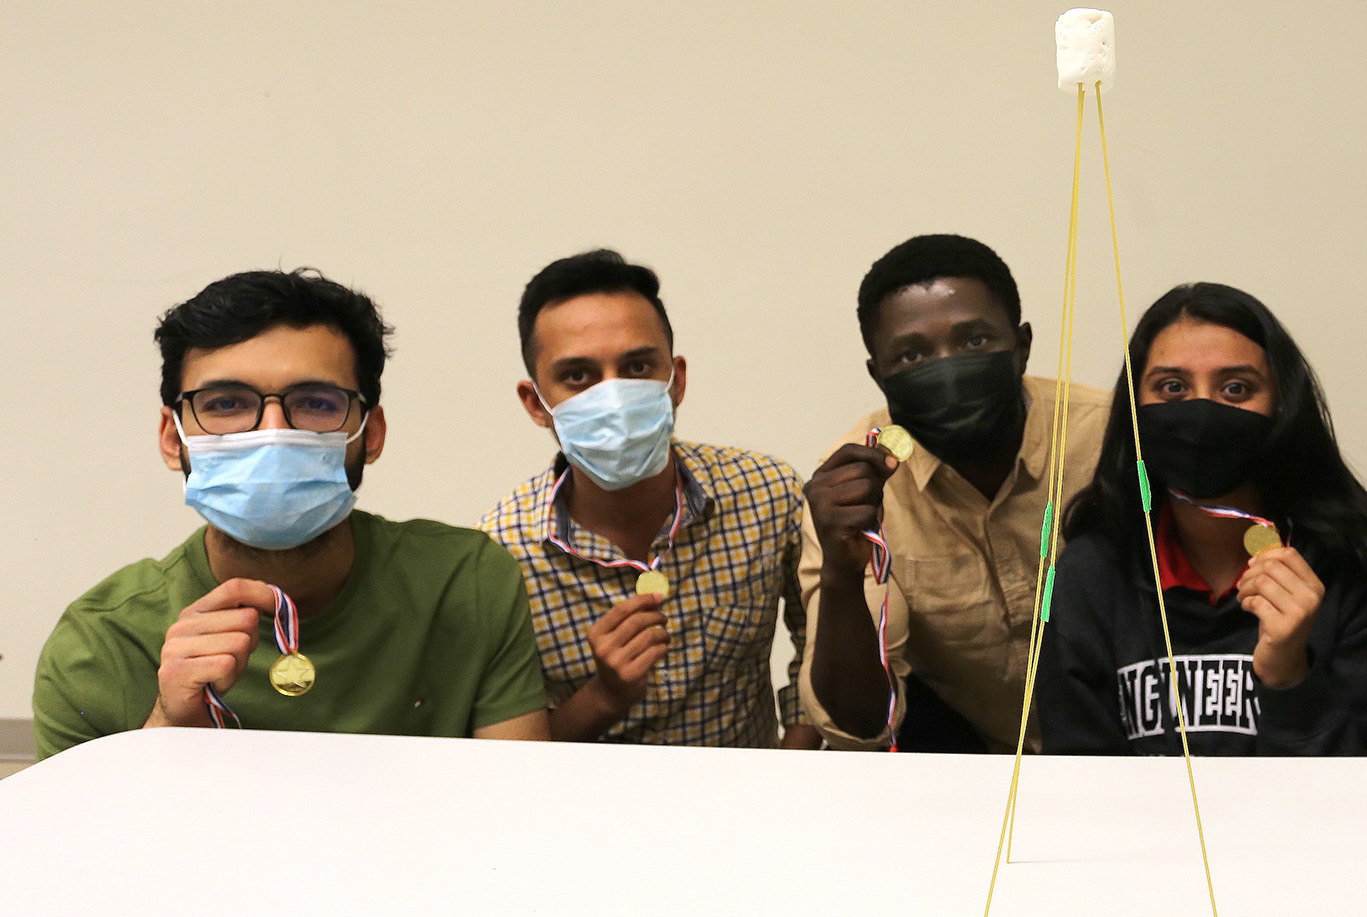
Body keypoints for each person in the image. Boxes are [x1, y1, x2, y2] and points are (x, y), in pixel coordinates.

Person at [34, 270, 549, 757]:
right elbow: (71, 848)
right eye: (226, 403)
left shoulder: (466, 582)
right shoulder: (99, 642)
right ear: (174, 439)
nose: (272, 433)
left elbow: (518, 809)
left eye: (316, 403)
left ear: (370, 434)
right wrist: (168, 729)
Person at [1036, 283, 1367, 755]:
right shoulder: (1092, 572)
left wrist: (1290, 676)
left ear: (1282, 406)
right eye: (1172, 388)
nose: (1201, 410)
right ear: (1134, 410)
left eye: (1236, 388)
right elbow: (1081, 780)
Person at [481, 250, 813, 747]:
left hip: (752, 805)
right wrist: (604, 697)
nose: (612, 397)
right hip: (586, 814)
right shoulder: (499, 556)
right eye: (578, 376)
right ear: (536, 403)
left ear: (675, 379)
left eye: (637, 366)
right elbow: (507, 753)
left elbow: (818, 650)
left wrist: (795, 762)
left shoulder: (766, 492)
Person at [799, 234, 1110, 752]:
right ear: (879, 376)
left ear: (1022, 346)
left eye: (974, 342)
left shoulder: (1110, 440)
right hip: (971, 763)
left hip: (1129, 750)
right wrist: (841, 574)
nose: (947, 369)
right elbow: (859, 723)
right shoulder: (854, 486)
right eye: (912, 354)